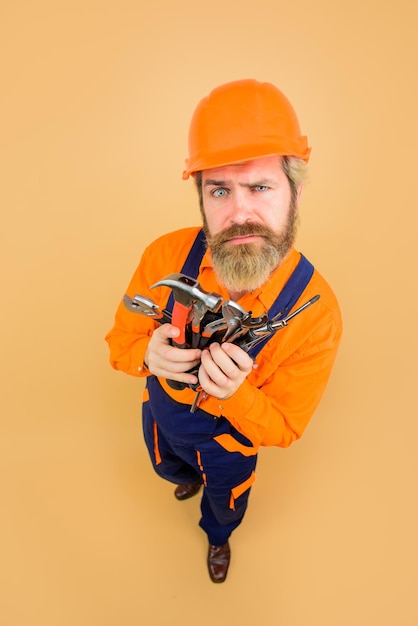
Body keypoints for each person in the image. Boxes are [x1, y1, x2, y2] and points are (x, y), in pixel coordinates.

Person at [105, 79, 342, 583]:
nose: (240, 214)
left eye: (260, 187)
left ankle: (217, 538)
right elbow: (118, 346)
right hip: (162, 414)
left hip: (230, 445)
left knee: (225, 501)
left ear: (294, 191)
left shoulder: (316, 314)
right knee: (166, 465)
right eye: (220, 190)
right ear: (201, 196)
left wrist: (236, 394)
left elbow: (283, 429)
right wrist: (148, 354)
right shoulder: (164, 257)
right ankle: (181, 477)